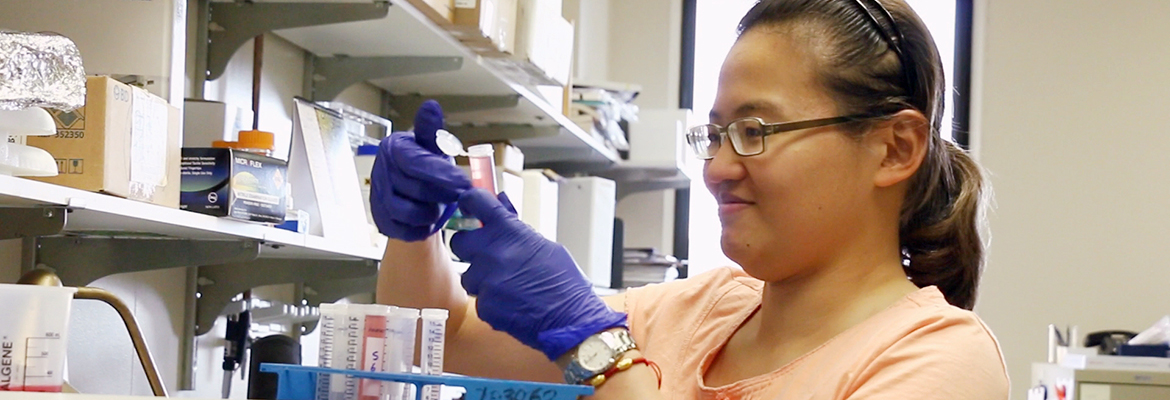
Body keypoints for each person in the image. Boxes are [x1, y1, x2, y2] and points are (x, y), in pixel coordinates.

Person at [370, 0, 1009, 398]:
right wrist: (417, 222)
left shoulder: (939, 360)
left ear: (895, 148)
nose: (718, 169)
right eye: (714, 135)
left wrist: (598, 353)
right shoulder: (701, 310)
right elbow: (443, 335)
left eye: (755, 132)